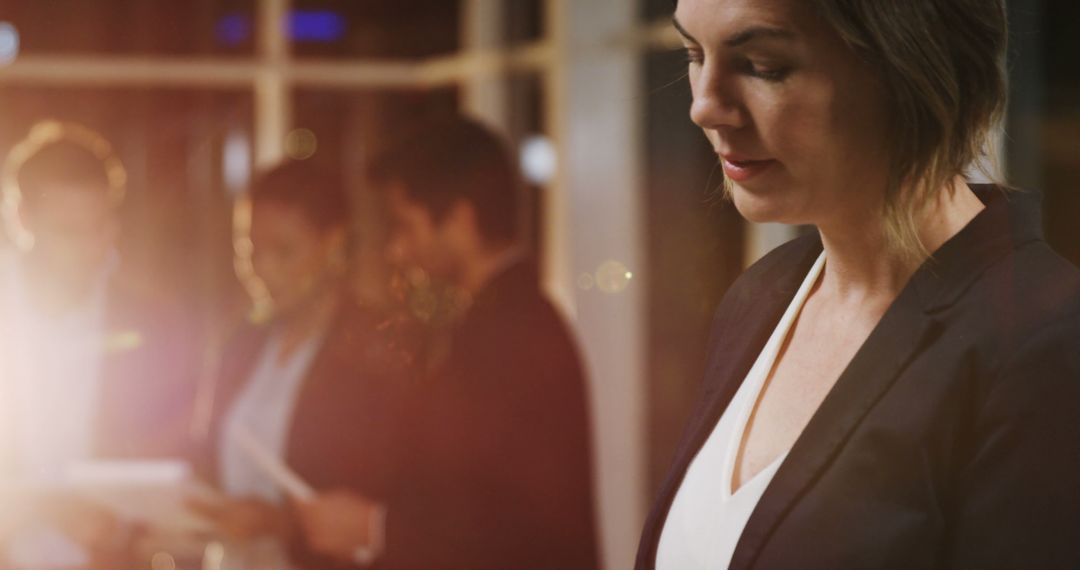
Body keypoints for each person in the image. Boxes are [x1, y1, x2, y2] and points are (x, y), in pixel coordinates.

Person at [636, 0, 1080, 568]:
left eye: (764, 65)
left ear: (909, 70)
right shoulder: (760, 298)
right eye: (695, 54)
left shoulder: (1043, 345)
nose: (703, 106)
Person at [294, 116, 600, 569]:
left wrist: (374, 527)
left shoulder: (508, 334)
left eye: (405, 226)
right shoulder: (504, 318)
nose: (398, 251)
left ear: (459, 219)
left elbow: (514, 519)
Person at [190, 161, 414, 569]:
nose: (264, 269)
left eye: (284, 251)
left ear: (333, 244)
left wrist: (281, 523)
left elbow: (384, 499)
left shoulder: (376, 353)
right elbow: (204, 457)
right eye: (251, 251)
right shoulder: (242, 344)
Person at [0, 123, 198, 569]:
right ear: (22, 221)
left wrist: (130, 524)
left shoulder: (150, 324)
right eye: (70, 231)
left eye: (102, 225)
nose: (93, 247)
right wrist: (43, 507)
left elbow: (171, 455)